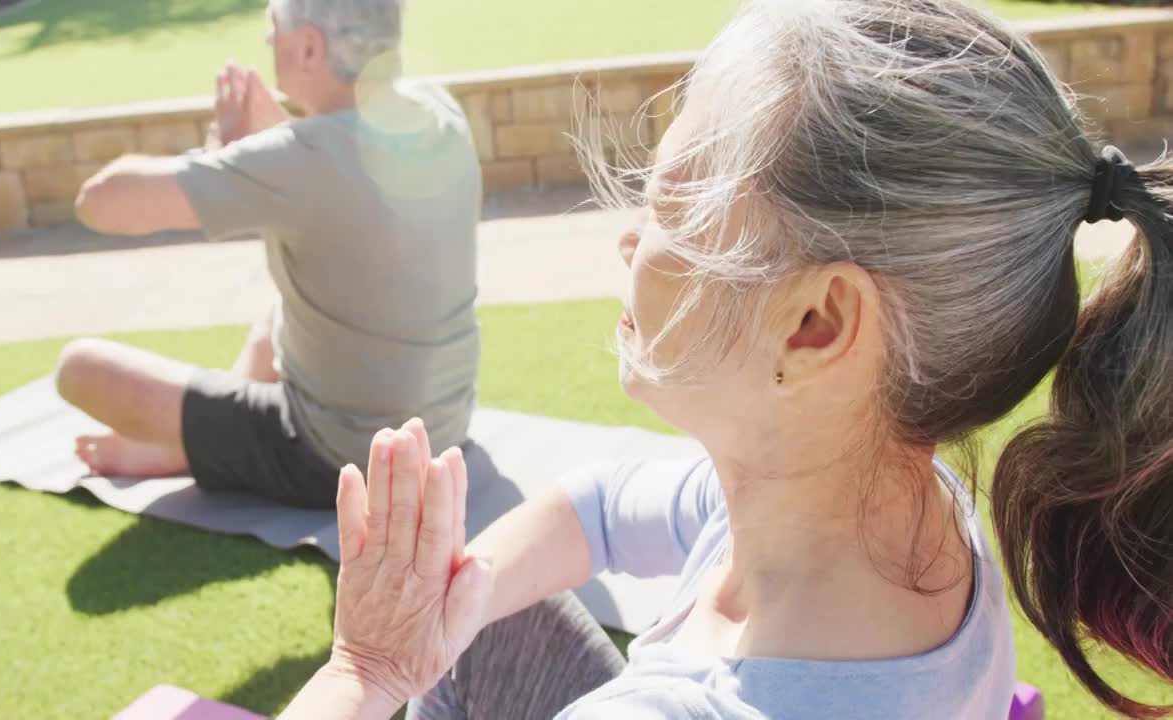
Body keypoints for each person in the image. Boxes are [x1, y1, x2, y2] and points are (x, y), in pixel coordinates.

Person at [271, 0, 1173, 717]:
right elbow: (599, 505)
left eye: (673, 204)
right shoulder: (898, 507)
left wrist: (367, 668)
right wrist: (462, 597)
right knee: (492, 615)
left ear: (816, 325)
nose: (631, 239)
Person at [52, 0, 481, 509]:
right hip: (443, 430)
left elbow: (100, 203)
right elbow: (327, 176)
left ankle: (189, 450)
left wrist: (224, 158)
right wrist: (257, 152)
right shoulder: (436, 109)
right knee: (279, 313)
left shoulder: (298, 158)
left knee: (77, 369)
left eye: (273, 28)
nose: (266, 41)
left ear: (308, 48)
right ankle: (205, 444)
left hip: (339, 456)